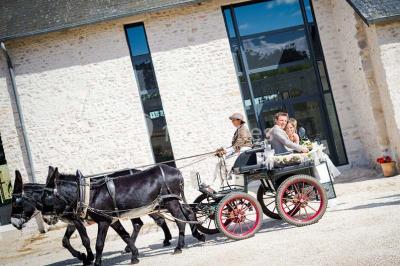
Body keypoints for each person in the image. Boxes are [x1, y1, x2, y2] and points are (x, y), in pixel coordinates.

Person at [213, 112, 252, 186]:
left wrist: (225, 151)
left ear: (239, 120)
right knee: (219, 165)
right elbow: (235, 145)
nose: (232, 122)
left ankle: (218, 186)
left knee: (225, 164)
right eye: (232, 120)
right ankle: (217, 184)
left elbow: (240, 143)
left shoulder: (243, 129)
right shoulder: (239, 129)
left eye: (233, 120)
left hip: (244, 151)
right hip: (239, 150)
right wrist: (223, 149)